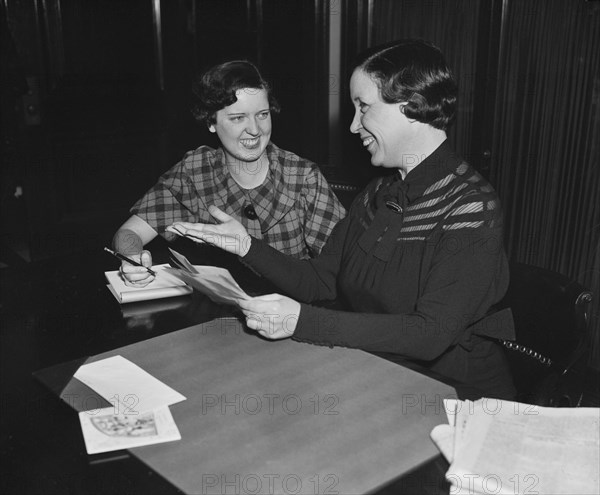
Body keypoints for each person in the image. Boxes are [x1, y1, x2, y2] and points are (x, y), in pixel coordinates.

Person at [168, 40, 516, 399]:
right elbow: (319, 281)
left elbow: (429, 335)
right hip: (382, 373)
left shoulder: (471, 206)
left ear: (410, 105)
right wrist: (245, 246)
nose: (353, 125)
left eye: (363, 107)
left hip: (456, 397)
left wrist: (303, 322)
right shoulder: (378, 192)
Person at [112, 60, 345, 288]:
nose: (255, 129)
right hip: (217, 317)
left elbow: (344, 263)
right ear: (210, 122)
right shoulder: (194, 172)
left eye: (262, 114)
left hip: (290, 313)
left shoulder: (303, 177)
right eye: (237, 118)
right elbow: (129, 232)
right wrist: (132, 259)